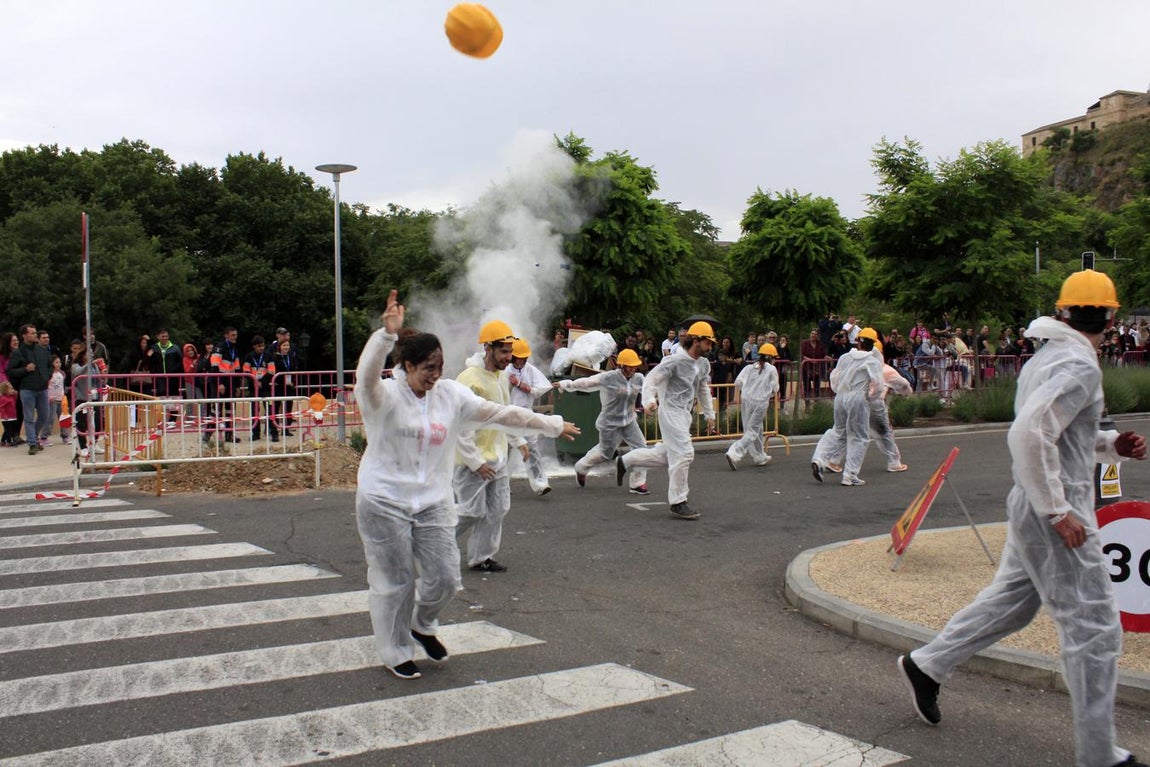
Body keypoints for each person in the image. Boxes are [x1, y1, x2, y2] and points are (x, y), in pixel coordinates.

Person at [896, 270, 1148, 767]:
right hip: (1058, 507)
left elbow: (1059, 435)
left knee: (1013, 603)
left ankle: (927, 665)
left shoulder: (1049, 356)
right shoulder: (1079, 364)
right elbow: (1030, 436)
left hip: (1034, 501)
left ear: (1064, 309)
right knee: (1096, 629)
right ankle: (1099, 757)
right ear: (1113, 317)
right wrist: (1059, 511)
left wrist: (1109, 446)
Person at [355, 290, 578, 680]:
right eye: (427, 368)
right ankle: (395, 651)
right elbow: (365, 379)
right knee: (395, 582)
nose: (435, 375)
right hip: (383, 500)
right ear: (407, 366)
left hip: (432, 501)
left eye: (439, 366)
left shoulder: (450, 396)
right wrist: (384, 337)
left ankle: (422, 624)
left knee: (445, 576)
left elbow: (501, 414)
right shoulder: (384, 398)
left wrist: (552, 424)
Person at [616, 321, 717, 520]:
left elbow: (703, 388)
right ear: (696, 340)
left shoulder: (702, 364)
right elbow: (651, 379)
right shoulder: (674, 361)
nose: (711, 347)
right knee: (685, 454)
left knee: (668, 455)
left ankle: (626, 460)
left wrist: (710, 414)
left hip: (684, 414)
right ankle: (678, 501)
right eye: (708, 343)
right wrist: (649, 401)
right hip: (670, 412)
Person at [453, 318, 524, 573]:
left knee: (498, 509)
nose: (508, 358)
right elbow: (461, 426)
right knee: (471, 511)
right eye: (503, 351)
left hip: (498, 457)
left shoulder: (500, 377)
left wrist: (518, 440)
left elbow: (504, 414)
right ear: (488, 348)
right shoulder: (469, 379)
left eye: (510, 352)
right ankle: (430, 545)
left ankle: (482, 557)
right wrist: (476, 462)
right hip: (473, 462)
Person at [555, 347, 649, 494]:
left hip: (629, 421)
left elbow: (650, 389)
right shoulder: (609, 378)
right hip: (609, 423)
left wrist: (651, 402)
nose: (633, 369)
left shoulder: (639, 378)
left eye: (635, 366)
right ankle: (581, 467)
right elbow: (585, 383)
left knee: (642, 449)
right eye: (630, 366)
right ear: (622, 366)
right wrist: (565, 384)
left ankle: (637, 483)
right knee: (605, 453)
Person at [811, 327, 884, 486]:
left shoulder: (845, 357)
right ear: (873, 344)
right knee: (859, 437)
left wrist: (839, 391)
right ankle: (850, 475)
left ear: (858, 341)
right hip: (857, 397)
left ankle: (819, 458)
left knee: (837, 431)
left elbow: (834, 376)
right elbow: (878, 385)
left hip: (841, 397)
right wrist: (869, 397)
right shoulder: (872, 361)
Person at [507, 338, 553, 496]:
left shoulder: (530, 369)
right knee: (504, 450)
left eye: (525, 357)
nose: (524, 360)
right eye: (521, 357)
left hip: (526, 413)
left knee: (532, 448)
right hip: (507, 415)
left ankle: (540, 483)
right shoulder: (504, 370)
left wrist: (521, 385)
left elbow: (543, 387)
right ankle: (500, 484)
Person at [725, 342, 779, 470]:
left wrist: (748, 390)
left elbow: (738, 383)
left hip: (746, 400)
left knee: (756, 429)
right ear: (772, 357)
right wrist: (765, 394)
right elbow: (775, 388)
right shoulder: (772, 369)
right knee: (753, 430)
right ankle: (734, 452)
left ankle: (759, 456)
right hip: (760, 402)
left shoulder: (749, 368)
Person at [6, 324, 53, 455]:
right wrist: (25, 369)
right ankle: (32, 443)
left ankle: (34, 436)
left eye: (35, 332)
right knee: (28, 417)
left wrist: (47, 376)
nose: (34, 335)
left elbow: (50, 365)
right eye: (32, 333)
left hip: (42, 388)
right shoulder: (18, 352)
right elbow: (10, 371)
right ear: (24, 335)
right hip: (27, 389)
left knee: (44, 415)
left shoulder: (43, 350)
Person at [70, 340, 106, 459]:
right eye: (88, 353)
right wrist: (89, 364)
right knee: (81, 422)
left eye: (92, 353)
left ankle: (94, 443)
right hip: (81, 398)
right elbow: (79, 372)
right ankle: (83, 446)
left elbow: (97, 379)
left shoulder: (94, 365)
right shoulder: (76, 365)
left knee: (98, 421)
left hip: (94, 396)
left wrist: (103, 376)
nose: (91, 356)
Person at [244, 335, 278, 441]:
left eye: (263, 345)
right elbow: (246, 371)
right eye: (259, 346)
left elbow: (272, 371)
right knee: (255, 412)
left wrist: (261, 381)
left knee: (270, 410)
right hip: (253, 388)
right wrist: (254, 381)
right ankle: (255, 434)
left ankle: (274, 433)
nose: (262, 348)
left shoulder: (269, 356)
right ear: (254, 346)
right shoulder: (249, 356)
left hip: (266, 387)